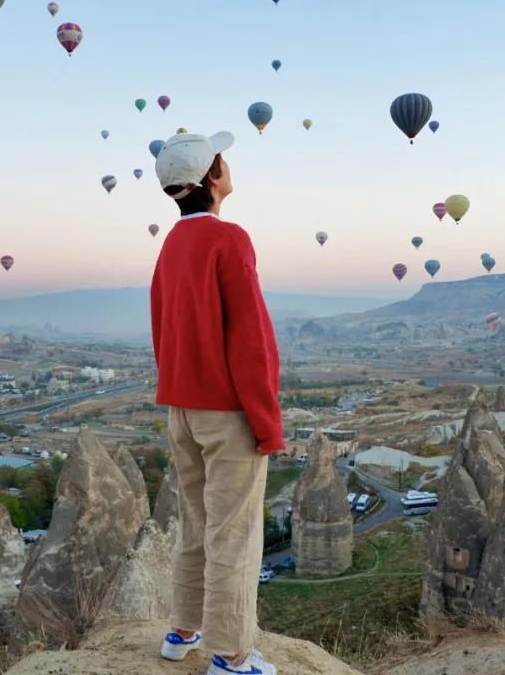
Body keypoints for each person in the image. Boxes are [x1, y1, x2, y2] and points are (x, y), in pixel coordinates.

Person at [150, 132, 285, 675]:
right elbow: (251, 339)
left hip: (180, 405)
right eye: (224, 161)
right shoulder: (228, 239)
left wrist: (176, 386)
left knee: (195, 521)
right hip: (227, 411)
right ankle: (231, 654)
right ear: (211, 177)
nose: (230, 169)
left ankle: (182, 631)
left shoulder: (171, 243)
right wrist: (267, 421)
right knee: (234, 531)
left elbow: (162, 327)